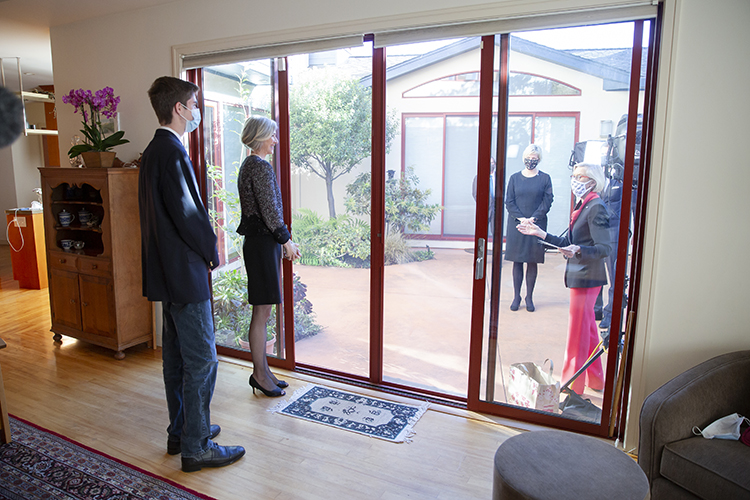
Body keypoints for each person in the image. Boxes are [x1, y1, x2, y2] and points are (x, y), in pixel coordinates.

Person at [139, 76, 245, 473]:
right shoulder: (172, 153)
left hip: (166, 274)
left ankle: (180, 431)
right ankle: (196, 447)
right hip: (185, 273)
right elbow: (188, 215)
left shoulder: (152, 151)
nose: (197, 110)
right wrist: (212, 252)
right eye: (194, 103)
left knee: (178, 358)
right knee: (203, 360)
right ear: (179, 108)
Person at [517, 163, 611, 395]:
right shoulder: (584, 204)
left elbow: (604, 248)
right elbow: (568, 240)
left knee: (576, 334)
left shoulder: (596, 206)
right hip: (582, 275)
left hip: (587, 277)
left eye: (579, 176)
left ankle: (571, 387)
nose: (574, 180)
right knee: (588, 330)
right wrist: (539, 233)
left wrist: (578, 250)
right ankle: (596, 380)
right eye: (573, 175)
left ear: (592, 180)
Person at [236, 115, 301, 398]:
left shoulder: (252, 165)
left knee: (264, 311)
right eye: (272, 135)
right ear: (261, 137)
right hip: (262, 244)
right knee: (261, 312)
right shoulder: (259, 167)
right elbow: (270, 209)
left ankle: (264, 371)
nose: (275, 140)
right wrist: (286, 241)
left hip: (261, 243)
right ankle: (260, 375)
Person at [504, 144, 553, 312]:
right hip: (517, 225)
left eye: (535, 159)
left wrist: (533, 219)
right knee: (517, 260)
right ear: (523, 157)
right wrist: (522, 219)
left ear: (539, 160)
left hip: (536, 225)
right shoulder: (514, 178)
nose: (531, 161)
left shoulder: (545, 178)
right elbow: (509, 201)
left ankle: (529, 297)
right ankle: (516, 296)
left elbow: (547, 201)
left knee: (532, 261)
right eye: (529, 158)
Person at [472, 157, 497, 235]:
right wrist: (484, 204)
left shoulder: (499, 177)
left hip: (497, 209)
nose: (490, 165)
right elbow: (475, 194)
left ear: (495, 164)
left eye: (492, 163)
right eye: (488, 163)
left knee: (496, 232)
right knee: (482, 232)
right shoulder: (479, 177)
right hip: (484, 209)